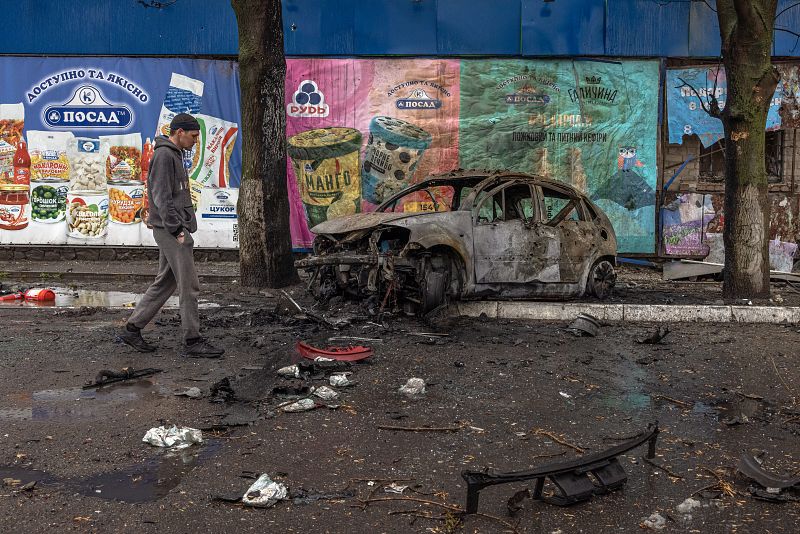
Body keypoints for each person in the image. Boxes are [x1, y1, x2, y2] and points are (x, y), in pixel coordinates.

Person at [117, 113, 224, 358]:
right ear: (179, 132)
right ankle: (192, 340)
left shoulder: (172, 154)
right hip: (171, 230)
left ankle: (132, 329)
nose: (196, 141)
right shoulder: (165, 156)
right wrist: (176, 230)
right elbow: (161, 196)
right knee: (190, 286)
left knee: (166, 281)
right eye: (194, 136)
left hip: (170, 227)